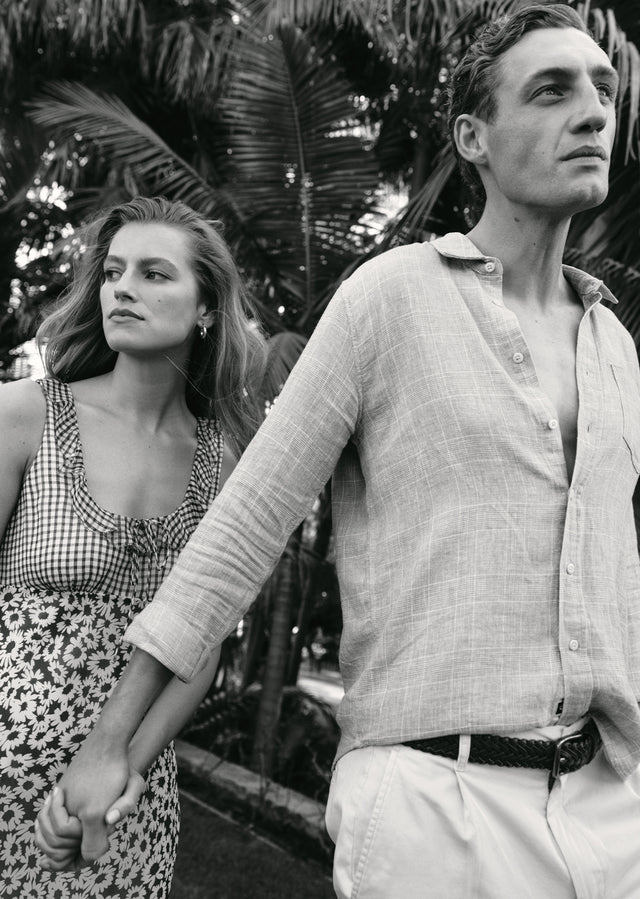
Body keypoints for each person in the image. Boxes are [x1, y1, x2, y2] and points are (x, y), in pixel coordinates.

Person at [37, 5, 640, 897]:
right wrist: (108, 743)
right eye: (551, 91)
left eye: (604, 89)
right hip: (438, 803)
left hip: (605, 808)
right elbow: (242, 531)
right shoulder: (390, 299)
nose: (593, 112)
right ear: (473, 137)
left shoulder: (615, 346)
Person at [0, 195, 265, 897]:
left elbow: (200, 650)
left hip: (122, 803)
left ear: (206, 308)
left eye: (154, 274)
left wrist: (125, 775)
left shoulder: (225, 463)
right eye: (114, 271)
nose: (122, 287)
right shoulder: (25, 414)